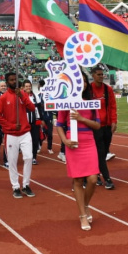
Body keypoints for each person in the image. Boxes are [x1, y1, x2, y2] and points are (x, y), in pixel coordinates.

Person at [54, 74, 100, 231]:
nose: (83, 84)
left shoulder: (92, 103)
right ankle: (82, 214)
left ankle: (85, 205)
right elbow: (59, 124)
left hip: (89, 141)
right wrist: (64, 141)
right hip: (72, 142)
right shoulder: (65, 102)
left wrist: (82, 118)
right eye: (79, 81)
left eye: (85, 81)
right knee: (78, 181)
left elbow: (97, 125)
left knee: (93, 179)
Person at [0, 72, 36, 199]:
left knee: (28, 157)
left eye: (15, 80)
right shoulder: (3, 98)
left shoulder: (22, 94)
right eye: (11, 80)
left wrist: (22, 97)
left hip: (25, 132)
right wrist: (11, 126)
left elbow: (32, 108)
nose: (14, 82)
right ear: (7, 82)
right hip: (11, 134)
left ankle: (26, 184)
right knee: (12, 161)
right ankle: (15, 186)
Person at [89, 65, 117, 189]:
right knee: (100, 152)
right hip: (95, 127)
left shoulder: (108, 89)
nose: (101, 76)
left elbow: (112, 106)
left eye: (102, 74)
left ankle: (95, 172)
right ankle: (107, 178)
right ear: (93, 75)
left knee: (104, 152)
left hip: (106, 125)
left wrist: (114, 121)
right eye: (98, 74)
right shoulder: (89, 89)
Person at [22, 79, 41, 166]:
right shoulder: (20, 96)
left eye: (29, 86)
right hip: (24, 124)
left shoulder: (35, 96)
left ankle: (33, 157)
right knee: (24, 142)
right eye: (26, 86)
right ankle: (26, 157)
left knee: (35, 140)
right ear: (23, 87)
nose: (28, 88)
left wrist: (41, 120)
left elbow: (39, 109)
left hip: (34, 123)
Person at [36, 79, 54, 155]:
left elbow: (53, 106)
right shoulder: (38, 96)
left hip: (49, 117)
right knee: (41, 133)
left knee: (49, 133)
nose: (39, 87)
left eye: (40, 86)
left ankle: (49, 148)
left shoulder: (50, 96)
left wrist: (46, 106)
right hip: (41, 118)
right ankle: (39, 146)